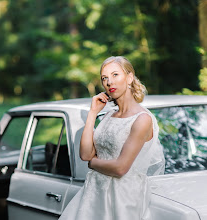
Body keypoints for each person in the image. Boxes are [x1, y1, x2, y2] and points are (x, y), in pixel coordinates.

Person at [59, 56, 165, 220]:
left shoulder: (142, 119)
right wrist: (93, 113)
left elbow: (120, 168)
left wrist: (92, 163)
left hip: (122, 197)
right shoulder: (108, 115)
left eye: (115, 75)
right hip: (93, 193)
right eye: (104, 78)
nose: (109, 82)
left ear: (129, 77)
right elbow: (85, 154)